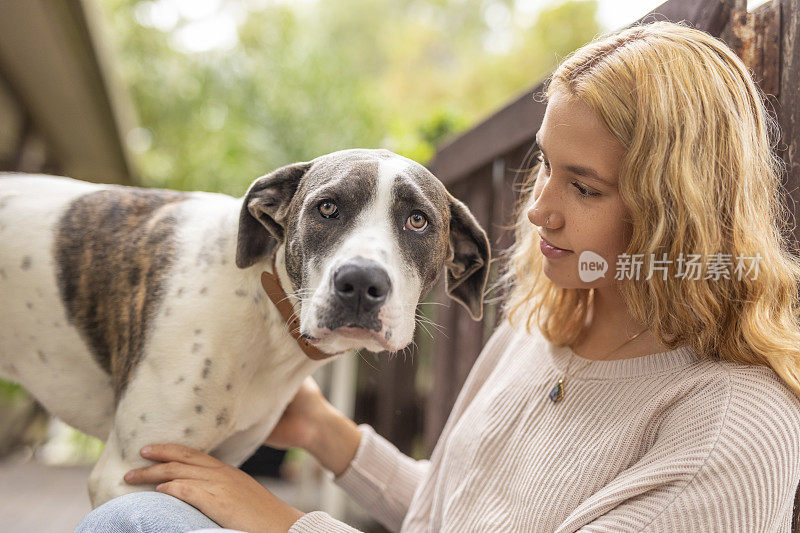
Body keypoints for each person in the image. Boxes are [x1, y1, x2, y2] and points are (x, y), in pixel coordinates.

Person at [75, 19, 800, 533]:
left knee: (137, 520)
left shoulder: (732, 427)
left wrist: (287, 524)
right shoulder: (545, 320)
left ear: (681, 212)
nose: (538, 210)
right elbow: (464, 516)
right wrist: (331, 436)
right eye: (544, 164)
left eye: (583, 187)